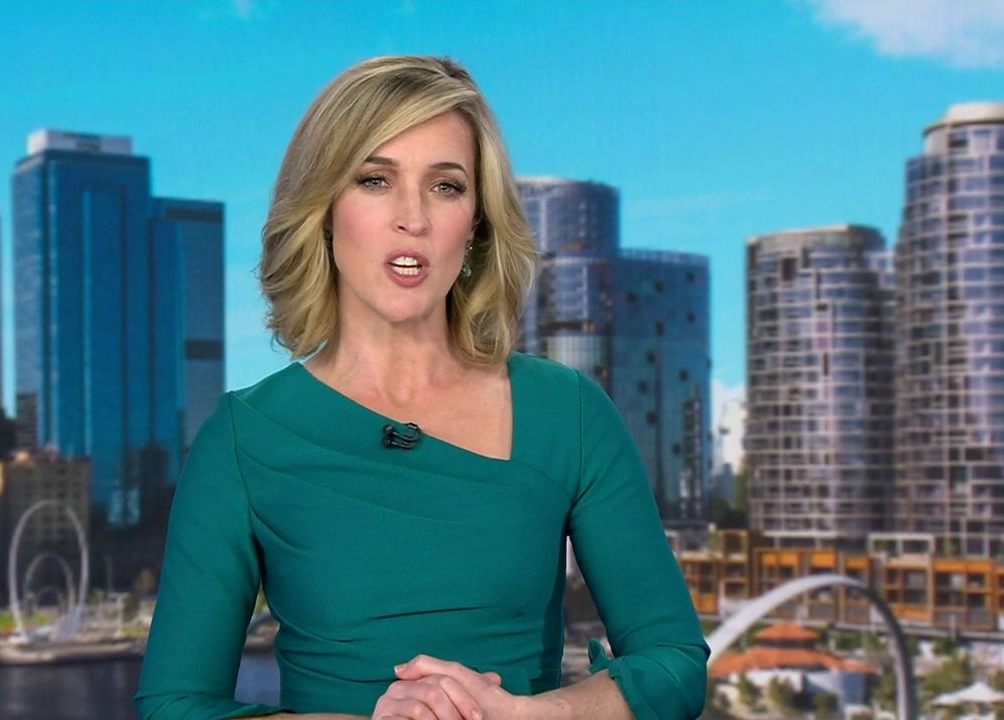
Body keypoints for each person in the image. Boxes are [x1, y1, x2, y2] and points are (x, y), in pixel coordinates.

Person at [133, 54, 709, 720]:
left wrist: (522, 716)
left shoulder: (568, 413)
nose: (414, 217)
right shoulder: (243, 439)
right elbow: (172, 706)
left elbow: (673, 666)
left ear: (476, 221)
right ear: (325, 208)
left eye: (446, 186)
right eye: (376, 180)